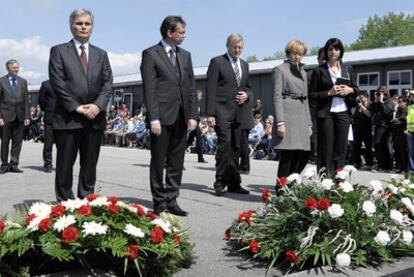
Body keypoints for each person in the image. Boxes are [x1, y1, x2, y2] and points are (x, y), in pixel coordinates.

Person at [49, 9, 113, 201]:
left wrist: (98, 106)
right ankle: (65, 205)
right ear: (71, 26)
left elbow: (107, 83)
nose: (83, 27)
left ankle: (86, 203)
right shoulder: (59, 51)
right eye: (79, 23)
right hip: (69, 119)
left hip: (94, 120)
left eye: (87, 24)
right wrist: (76, 107)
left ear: (92, 27)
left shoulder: (101, 54)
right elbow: (58, 82)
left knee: (89, 166)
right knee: (64, 166)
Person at [140, 15, 198, 216]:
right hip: (161, 117)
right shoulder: (151, 54)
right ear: (169, 33)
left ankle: (172, 199)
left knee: (176, 161)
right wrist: (153, 118)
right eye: (181, 32)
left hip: (181, 117)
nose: (184, 35)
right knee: (158, 160)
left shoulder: (185, 55)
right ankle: (159, 202)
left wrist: (193, 115)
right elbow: (150, 88)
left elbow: (191, 87)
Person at [206, 33, 252, 196]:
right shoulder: (217, 62)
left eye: (240, 47)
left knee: (236, 147)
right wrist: (210, 113)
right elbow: (210, 88)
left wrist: (247, 95)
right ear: (227, 46)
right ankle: (220, 181)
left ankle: (234, 182)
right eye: (234, 46)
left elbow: (248, 87)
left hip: (240, 112)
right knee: (224, 145)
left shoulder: (245, 65)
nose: (237, 50)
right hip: (221, 111)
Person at [309, 38, 359, 175]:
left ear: (341, 51)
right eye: (330, 49)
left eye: (336, 49)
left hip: (343, 112)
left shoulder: (347, 68)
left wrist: (351, 90)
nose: (333, 52)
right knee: (326, 148)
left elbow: (356, 89)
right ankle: (325, 179)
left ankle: (339, 179)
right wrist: (328, 93)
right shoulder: (318, 71)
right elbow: (312, 95)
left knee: (341, 148)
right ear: (326, 51)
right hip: (326, 114)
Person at [272, 39, 312, 178]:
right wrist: (280, 122)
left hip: (301, 117)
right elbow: (277, 97)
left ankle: (292, 183)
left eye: (300, 54)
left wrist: (309, 123)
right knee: (287, 155)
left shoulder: (304, 73)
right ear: (288, 53)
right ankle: (281, 188)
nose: (297, 56)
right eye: (294, 53)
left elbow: (305, 98)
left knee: (302, 154)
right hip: (287, 116)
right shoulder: (280, 70)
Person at [0, 59, 30, 174]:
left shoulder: (23, 81)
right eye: (14, 68)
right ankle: (4, 164)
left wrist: (27, 116)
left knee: (17, 142)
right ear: (8, 68)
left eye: (17, 67)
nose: (16, 69)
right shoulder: (1, 81)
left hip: (20, 116)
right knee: (5, 141)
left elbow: (26, 100)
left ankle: (14, 163)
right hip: (6, 116)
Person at [368, 85, 393, 172]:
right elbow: (371, 111)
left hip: (384, 126)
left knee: (379, 145)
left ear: (384, 92)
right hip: (377, 125)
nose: (379, 94)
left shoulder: (389, 101)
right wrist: (375, 101)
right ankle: (384, 166)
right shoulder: (377, 102)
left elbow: (387, 112)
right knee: (380, 146)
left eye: (380, 92)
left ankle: (384, 166)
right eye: (378, 92)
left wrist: (382, 101)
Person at [351, 91, 373, 170]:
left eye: (362, 97)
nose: (360, 99)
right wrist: (355, 107)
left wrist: (362, 107)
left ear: (366, 97)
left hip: (367, 129)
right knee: (356, 146)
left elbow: (369, 114)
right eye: (359, 97)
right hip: (357, 128)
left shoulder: (370, 104)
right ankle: (357, 162)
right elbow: (353, 115)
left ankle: (369, 163)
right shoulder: (357, 106)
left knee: (368, 147)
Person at [38, 80, 56, 173]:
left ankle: (62, 164)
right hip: (50, 117)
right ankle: (48, 163)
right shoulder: (46, 84)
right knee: (49, 142)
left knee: (63, 144)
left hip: (64, 118)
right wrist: (48, 108)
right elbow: (41, 100)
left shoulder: (67, 82)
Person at [186, 90, 207, 163]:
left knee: (190, 140)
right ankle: (200, 158)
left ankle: (180, 152)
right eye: (200, 96)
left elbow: (197, 115)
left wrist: (201, 119)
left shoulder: (197, 105)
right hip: (193, 124)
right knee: (199, 140)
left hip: (196, 123)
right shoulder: (192, 104)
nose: (201, 98)